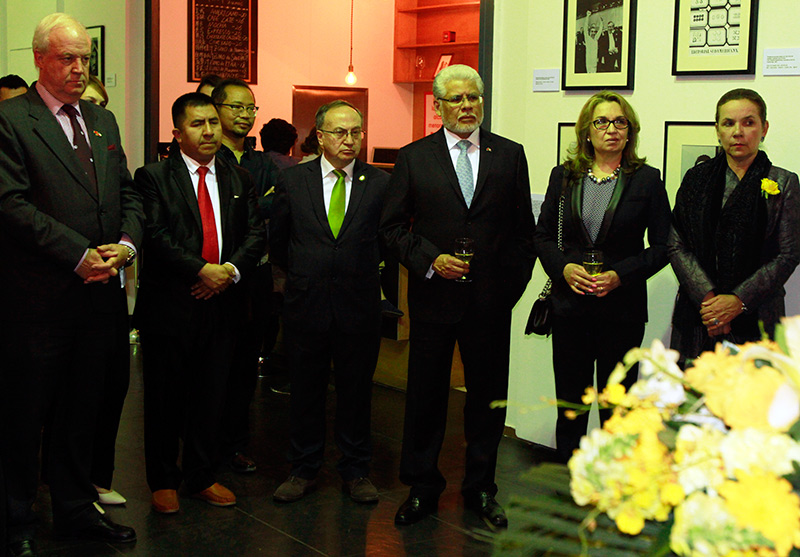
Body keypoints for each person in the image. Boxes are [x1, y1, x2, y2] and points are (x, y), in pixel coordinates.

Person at [0, 13, 142, 554]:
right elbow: (10, 204)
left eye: (85, 58)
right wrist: (76, 255)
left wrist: (127, 245)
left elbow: (127, 192)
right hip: (38, 301)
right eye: (68, 58)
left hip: (100, 298)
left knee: (84, 411)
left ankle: (76, 509)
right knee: (24, 413)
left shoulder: (102, 121)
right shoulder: (13, 121)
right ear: (39, 59)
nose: (79, 68)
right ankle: (16, 522)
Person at [380, 64, 536, 527]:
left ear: (482, 102)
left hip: (491, 303)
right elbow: (390, 229)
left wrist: (510, 290)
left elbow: (523, 233)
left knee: (488, 400)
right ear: (438, 106)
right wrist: (430, 260)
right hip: (433, 300)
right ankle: (423, 488)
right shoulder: (414, 158)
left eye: (474, 98)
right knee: (426, 399)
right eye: (456, 99)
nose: (466, 106)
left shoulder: (509, 154)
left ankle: (481, 490)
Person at [133, 92, 265, 514]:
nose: (209, 131)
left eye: (213, 122)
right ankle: (163, 480)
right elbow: (155, 235)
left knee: (213, 396)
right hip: (172, 305)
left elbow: (255, 234)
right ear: (177, 132)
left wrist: (227, 272)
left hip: (223, 304)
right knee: (165, 398)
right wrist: (200, 271)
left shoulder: (238, 176)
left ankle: (201, 475)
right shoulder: (152, 176)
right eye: (197, 124)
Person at [533, 91, 671, 464]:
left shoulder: (647, 181)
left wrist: (620, 275)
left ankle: (614, 481)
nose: (611, 129)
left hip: (621, 311)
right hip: (570, 307)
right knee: (572, 402)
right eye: (602, 122)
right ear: (586, 131)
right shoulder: (564, 177)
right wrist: (562, 267)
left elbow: (662, 247)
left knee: (617, 404)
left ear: (630, 132)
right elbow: (542, 235)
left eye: (619, 122)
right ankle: (569, 479)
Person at [269, 100, 389, 504]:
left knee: (356, 392)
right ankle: (303, 469)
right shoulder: (293, 182)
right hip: (307, 304)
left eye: (356, 132)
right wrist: (304, 276)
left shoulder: (380, 183)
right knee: (306, 390)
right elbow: (280, 242)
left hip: (359, 306)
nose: (350, 140)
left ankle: (356, 471)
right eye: (340, 132)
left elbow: (386, 240)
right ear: (320, 136)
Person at [669, 89, 800, 368]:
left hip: (758, 317)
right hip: (699, 316)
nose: (737, 132)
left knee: (751, 407)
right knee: (694, 405)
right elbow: (676, 242)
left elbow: (788, 254)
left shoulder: (784, 183)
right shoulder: (696, 179)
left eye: (748, 123)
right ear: (717, 130)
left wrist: (737, 301)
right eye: (728, 123)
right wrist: (710, 300)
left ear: (764, 129)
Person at [210, 78, 280, 474]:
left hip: (253, 277)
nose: (244, 115)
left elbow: (270, 213)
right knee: (210, 364)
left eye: (250, 108)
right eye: (236, 107)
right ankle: (203, 441)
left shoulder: (263, 163)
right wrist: (257, 208)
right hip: (214, 275)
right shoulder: (208, 158)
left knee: (243, 366)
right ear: (216, 109)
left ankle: (234, 445)